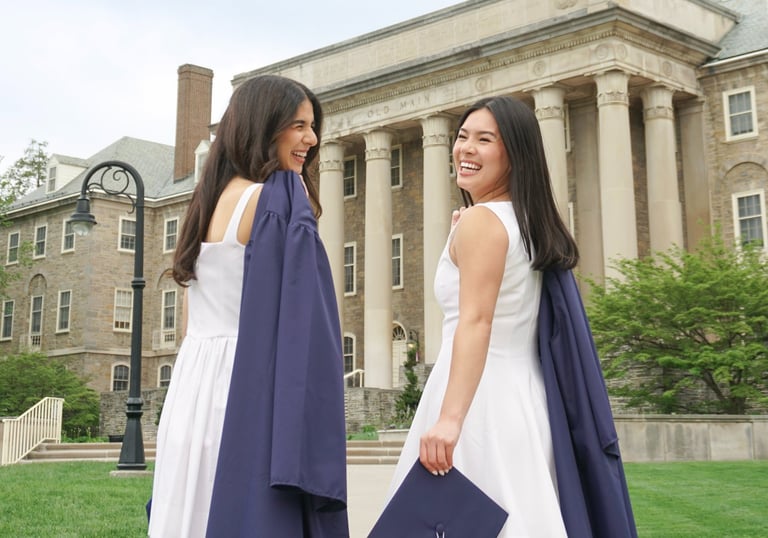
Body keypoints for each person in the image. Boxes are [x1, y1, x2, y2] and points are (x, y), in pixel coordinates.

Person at [384, 96, 636, 537]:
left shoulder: (483, 222)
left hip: (479, 402)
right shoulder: (525, 223)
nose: (466, 148)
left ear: (515, 155)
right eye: (463, 136)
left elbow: (476, 321)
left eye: (485, 140)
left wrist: (450, 419)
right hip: (523, 397)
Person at [149, 75, 349, 537]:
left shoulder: (207, 201)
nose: (311, 139)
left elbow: (191, 312)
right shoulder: (275, 196)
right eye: (298, 126)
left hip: (193, 385)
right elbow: (301, 314)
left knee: (193, 508)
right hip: (247, 383)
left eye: (312, 126)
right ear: (263, 126)